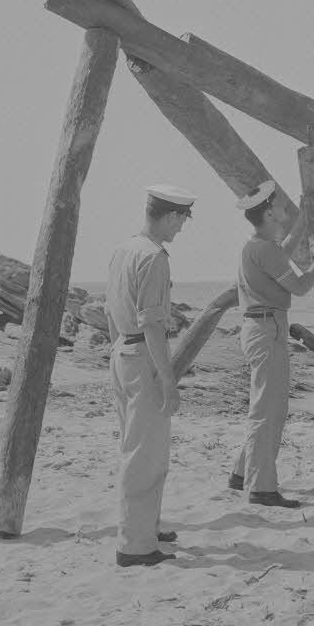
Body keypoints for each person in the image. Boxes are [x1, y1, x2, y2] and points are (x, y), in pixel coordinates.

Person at [230, 180, 314, 507]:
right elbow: (300, 286)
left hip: (260, 327)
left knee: (263, 407)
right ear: (268, 212)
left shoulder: (260, 246)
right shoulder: (263, 249)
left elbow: (283, 252)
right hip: (268, 329)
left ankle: (242, 474)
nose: (284, 208)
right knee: (269, 411)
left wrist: (304, 217)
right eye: (279, 205)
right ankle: (261, 488)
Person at [103, 184, 196, 568]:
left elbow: (112, 311)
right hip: (142, 354)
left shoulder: (124, 250)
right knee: (146, 454)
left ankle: (146, 528)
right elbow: (154, 325)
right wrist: (167, 379)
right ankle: (136, 546)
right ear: (171, 216)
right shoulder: (155, 258)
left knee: (137, 446)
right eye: (182, 221)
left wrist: (120, 352)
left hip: (122, 352)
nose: (181, 229)